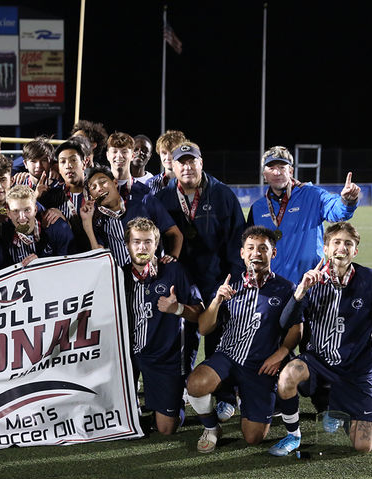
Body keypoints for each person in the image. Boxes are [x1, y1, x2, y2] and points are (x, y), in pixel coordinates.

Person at [186, 226, 300, 454]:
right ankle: (211, 428)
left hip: (260, 365)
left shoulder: (286, 288)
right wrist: (217, 301)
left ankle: (253, 399)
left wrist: (281, 353)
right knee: (195, 384)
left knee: (253, 437)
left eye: (262, 248)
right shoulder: (229, 285)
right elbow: (204, 328)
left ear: (273, 253)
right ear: (242, 253)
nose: (256, 253)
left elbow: (296, 328)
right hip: (228, 357)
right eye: (250, 248)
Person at [155, 142, 246, 392]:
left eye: (191, 161)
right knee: (182, 335)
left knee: (220, 338)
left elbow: (238, 240)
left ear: (201, 163)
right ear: (172, 166)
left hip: (217, 280)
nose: (187, 167)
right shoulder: (163, 197)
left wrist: (234, 281)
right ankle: (183, 386)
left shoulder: (222, 194)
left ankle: (226, 394)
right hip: (181, 281)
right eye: (181, 162)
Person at [277, 221, 372, 453]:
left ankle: (340, 409)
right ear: (326, 248)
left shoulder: (369, 280)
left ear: (355, 250)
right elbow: (285, 322)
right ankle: (293, 436)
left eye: (348, 244)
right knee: (288, 376)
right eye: (336, 243)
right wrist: (300, 293)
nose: (342, 248)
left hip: (356, 369)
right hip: (317, 362)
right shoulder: (312, 279)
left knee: (363, 446)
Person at [123, 218, 203, 434]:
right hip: (128, 357)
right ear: (127, 245)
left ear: (156, 245)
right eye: (136, 242)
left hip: (164, 358)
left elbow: (200, 314)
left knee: (166, 429)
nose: (142, 248)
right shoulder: (118, 276)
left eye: (148, 242)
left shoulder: (174, 271)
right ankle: (142, 405)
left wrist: (177, 309)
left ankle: (175, 399)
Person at [247, 145, 359, 284]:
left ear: (291, 171)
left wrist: (347, 201)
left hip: (310, 283)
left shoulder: (312, 195)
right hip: (273, 286)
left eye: (282, 167)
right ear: (264, 174)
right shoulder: (258, 208)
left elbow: (336, 212)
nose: (277, 172)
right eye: (271, 168)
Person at [80, 165, 181, 267]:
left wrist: (172, 259)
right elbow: (99, 257)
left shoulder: (144, 201)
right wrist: (86, 221)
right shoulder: (97, 220)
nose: (99, 188)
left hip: (151, 276)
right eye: (93, 187)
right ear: (92, 197)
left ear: (115, 183)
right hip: (119, 277)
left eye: (103, 182)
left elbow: (174, 233)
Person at [2, 185, 73, 264]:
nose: (22, 217)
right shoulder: (3, 235)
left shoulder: (57, 228)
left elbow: (70, 266)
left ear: (35, 210)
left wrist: (40, 265)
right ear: (8, 214)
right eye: (15, 211)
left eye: (27, 210)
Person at [146, 129, 187, 195]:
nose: (167, 157)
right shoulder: (151, 183)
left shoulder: (190, 182)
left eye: (172, 152)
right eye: (164, 153)